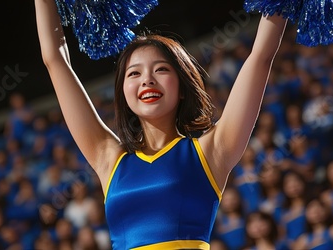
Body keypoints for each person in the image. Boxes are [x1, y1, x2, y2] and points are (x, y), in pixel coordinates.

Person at [34, 0, 287, 248]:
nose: (147, 80)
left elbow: (261, 56)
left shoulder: (211, 151)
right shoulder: (109, 159)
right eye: (134, 73)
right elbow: (54, 60)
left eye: (161, 70)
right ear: (123, 92)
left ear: (182, 88)